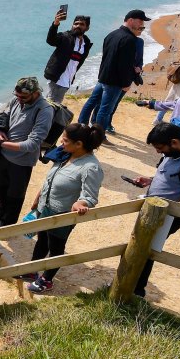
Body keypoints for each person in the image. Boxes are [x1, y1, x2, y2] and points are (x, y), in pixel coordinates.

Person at [17, 124, 105, 293]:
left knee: (56, 246)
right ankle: (32, 270)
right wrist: (38, 197)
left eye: (65, 140)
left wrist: (82, 203)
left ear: (78, 144)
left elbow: (90, 195)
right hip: (46, 208)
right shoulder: (65, 155)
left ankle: (47, 280)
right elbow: (51, 179)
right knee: (42, 240)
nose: (61, 142)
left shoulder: (90, 167)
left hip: (63, 215)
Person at [127, 123, 180, 298]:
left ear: (174, 142)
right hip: (152, 211)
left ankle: (135, 291)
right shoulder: (171, 154)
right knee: (137, 246)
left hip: (166, 217)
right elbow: (170, 178)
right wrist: (150, 180)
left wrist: (161, 218)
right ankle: (128, 285)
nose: (159, 152)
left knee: (145, 251)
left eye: (160, 148)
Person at [0, 77, 54, 228]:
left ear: (36, 93)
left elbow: (32, 144)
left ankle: (8, 224)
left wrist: (1, 143)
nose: (19, 100)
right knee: (0, 188)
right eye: (17, 96)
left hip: (22, 161)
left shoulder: (44, 111)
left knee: (15, 195)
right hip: (4, 155)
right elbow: (4, 117)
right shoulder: (16, 100)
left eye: (24, 97)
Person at [78, 10, 150, 133]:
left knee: (91, 103)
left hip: (103, 76)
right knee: (105, 110)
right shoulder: (130, 39)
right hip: (115, 81)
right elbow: (125, 65)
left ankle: (81, 127)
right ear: (130, 20)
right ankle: (98, 136)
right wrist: (126, 83)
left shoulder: (111, 34)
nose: (142, 24)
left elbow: (106, 58)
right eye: (140, 21)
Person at [43, 11, 93, 104]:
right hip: (56, 78)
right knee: (50, 104)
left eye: (81, 24)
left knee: (57, 103)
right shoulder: (65, 37)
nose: (78, 26)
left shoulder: (86, 43)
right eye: (76, 23)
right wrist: (55, 24)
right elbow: (51, 40)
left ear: (87, 28)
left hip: (68, 81)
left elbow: (77, 63)